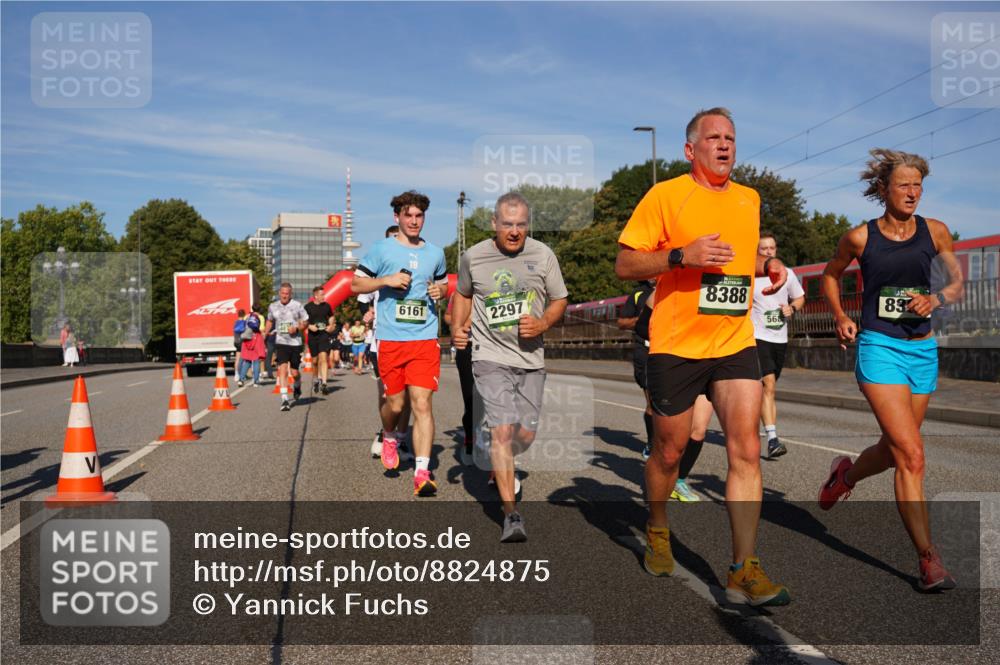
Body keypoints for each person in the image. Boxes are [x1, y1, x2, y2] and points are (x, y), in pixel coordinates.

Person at [615, 107, 791, 606]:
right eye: (713, 137)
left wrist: (768, 263)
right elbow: (625, 262)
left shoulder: (749, 198)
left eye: (731, 137)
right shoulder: (666, 195)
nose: (725, 144)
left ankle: (743, 568)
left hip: (735, 341)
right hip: (677, 345)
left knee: (747, 450)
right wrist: (679, 256)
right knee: (669, 452)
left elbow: (741, 254)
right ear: (691, 149)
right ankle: (657, 525)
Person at [819, 148, 964, 592]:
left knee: (894, 449)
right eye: (904, 185)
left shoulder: (935, 231)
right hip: (879, 347)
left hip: (922, 350)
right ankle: (928, 559)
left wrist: (937, 298)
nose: (912, 193)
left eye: (918, 185)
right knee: (912, 455)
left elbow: (957, 283)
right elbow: (830, 274)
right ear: (883, 189)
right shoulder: (860, 238)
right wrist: (841, 316)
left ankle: (846, 476)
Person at [452, 192, 569, 542]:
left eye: (520, 225)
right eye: (507, 224)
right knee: (503, 431)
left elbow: (560, 299)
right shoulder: (473, 257)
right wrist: (458, 327)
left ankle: (500, 451)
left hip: (531, 360)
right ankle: (511, 514)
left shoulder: (543, 255)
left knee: (525, 435)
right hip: (489, 357)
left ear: (527, 225)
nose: (514, 231)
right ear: (494, 224)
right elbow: (463, 293)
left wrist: (543, 324)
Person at [351, 191, 448, 497]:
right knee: (396, 403)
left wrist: (440, 292)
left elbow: (443, 282)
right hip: (391, 340)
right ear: (397, 217)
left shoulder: (435, 252)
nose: (414, 221)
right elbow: (355, 284)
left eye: (419, 216)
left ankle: (422, 471)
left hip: (424, 338)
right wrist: (386, 280)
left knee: (422, 404)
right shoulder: (382, 250)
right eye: (408, 215)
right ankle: (390, 435)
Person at [617, 282, 705, 502]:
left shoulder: (704, 282)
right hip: (661, 355)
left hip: (709, 355)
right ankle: (654, 453)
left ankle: (680, 480)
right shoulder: (644, 292)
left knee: (698, 431)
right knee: (661, 426)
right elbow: (629, 324)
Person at [361, 224, 415, 463]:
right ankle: (386, 434)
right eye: (393, 239)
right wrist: (368, 312)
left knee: (411, 395)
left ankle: (401, 439)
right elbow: (362, 297)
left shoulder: (418, 265)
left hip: (413, 340)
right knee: (389, 396)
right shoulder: (377, 270)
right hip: (383, 342)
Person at [751, 232, 805, 459]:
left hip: (779, 339)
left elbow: (800, 298)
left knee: (766, 390)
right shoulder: (752, 277)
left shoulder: (787, 274)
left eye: (772, 248)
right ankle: (773, 438)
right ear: (757, 252)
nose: (769, 252)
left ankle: (754, 424)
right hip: (757, 337)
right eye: (764, 249)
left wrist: (792, 308)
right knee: (768, 385)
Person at [264, 283, 309, 411]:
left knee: (294, 372)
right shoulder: (273, 306)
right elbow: (270, 320)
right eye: (283, 293)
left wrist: (297, 328)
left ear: (291, 294)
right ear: (279, 293)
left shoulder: (297, 305)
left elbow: (306, 321)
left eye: (287, 293)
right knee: (282, 369)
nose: (284, 296)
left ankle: (297, 385)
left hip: (295, 343)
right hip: (281, 342)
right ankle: (284, 399)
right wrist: (265, 333)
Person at [444, 292, 475, 465]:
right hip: (466, 346)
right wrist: (458, 320)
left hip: (492, 346)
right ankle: (470, 439)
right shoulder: (458, 294)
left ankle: (497, 451)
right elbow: (448, 317)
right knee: (470, 397)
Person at [305, 286, 335, 394]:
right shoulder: (308, 307)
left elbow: (331, 316)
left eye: (324, 294)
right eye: (322, 295)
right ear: (316, 296)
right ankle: (317, 380)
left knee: (323, 358)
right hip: (313, 336)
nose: (324, 296)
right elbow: (302, 321)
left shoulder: (327, 306)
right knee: (314, 361)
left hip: (323, 335)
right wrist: (309, 326)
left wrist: (331, 325)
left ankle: (324, 384)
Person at [237, 306, 265, 387]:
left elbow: (243, 327)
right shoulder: (260, 317)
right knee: (256, 361)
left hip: (247, 339)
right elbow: (262, 329)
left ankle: (241, 380)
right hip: (256, 339)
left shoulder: (247, 316)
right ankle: (256, 382)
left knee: (247, 361)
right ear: (260, 310)